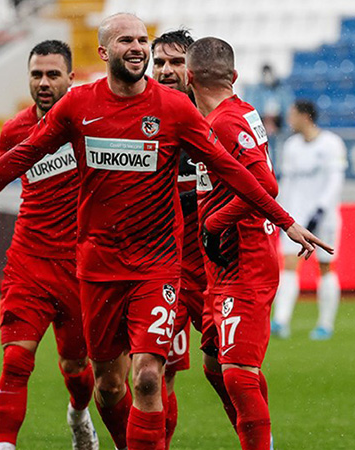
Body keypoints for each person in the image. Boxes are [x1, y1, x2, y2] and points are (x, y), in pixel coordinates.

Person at [0, 13, 330, 450]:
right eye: (129, 42)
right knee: (111, 386)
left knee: (155, 376)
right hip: (99, 268)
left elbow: (239, 172)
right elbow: (20, 157)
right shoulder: (79, 105)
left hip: (160, 266)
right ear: (103, 52)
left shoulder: (177, 112)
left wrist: (286, 222)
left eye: (142, 40)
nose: (138, 49)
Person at [0, 40, 98, 450]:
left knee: (76, 366)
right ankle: (4, 446)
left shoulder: (89, 124)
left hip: (80, 265)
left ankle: (77, 412)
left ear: (71, 78)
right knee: (17, 359)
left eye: (53, 74)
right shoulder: (14, 131)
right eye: (37, 74)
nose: (44, 82)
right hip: (29, 260)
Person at [188, 36, 287, 450]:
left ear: (189, 78)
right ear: (234, 76)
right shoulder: (243, 111)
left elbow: (266, 185)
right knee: (215, 364)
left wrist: (215, 221)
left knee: (237, 370)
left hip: (242, 257)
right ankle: (257, 437)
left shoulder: (225, 122)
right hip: (225, 262)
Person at [151, 28, 206, 448]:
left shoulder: (217, 119)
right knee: (155, 371)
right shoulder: (143, 120)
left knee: (229, 372)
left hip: (212, 271)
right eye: (160, 63)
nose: (167, 71)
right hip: (160, 269)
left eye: (176, 62)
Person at [271, 100, 347, 341]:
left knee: (325, 268)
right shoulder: (291, 146)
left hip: (323, 218)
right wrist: (279, 211)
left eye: (293, 115)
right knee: (290, 264)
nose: (289, 120)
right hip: (295, 219)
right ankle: (281, 321)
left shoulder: (331, 144)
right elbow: (288, 183)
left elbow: (335, 181)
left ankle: (325, 324)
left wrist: (321, 210)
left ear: (306, 116)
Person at [242, 64, 294, 137]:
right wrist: (265, 119)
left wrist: (275, 120)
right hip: (261, 122)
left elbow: (288, 109)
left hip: (280, 124)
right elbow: (250, 110)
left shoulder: (282, 91)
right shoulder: (255, 91)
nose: (268, 78)